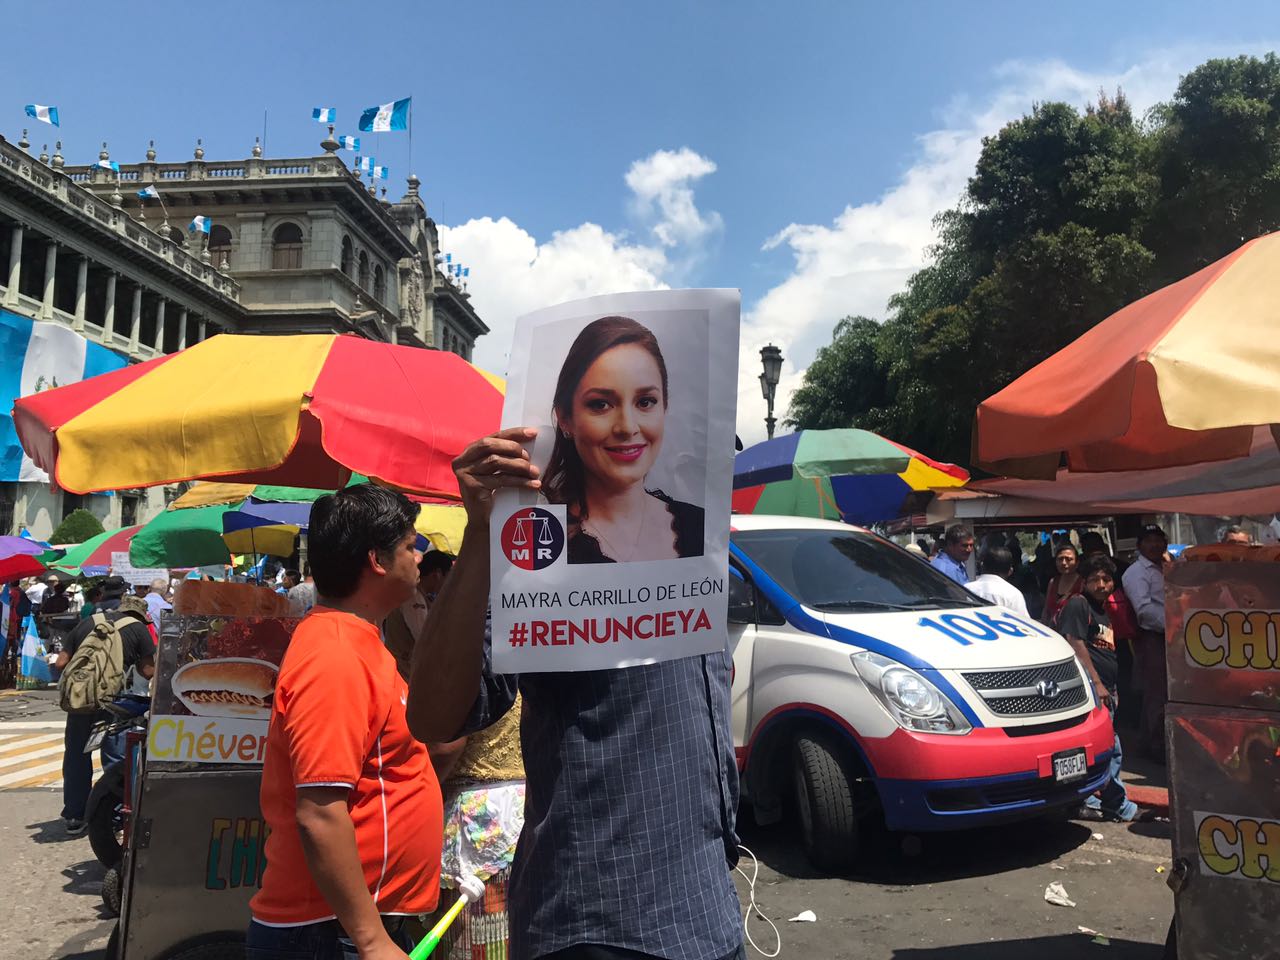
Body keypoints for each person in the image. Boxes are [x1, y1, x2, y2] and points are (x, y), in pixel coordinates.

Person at [407, 427, 745, 960]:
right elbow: (432, 717)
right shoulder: (549, 569)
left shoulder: (695, 558)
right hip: (594, 927)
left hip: (706, 911)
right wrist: (481, 538)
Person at [247, 485, 442, 960]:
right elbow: (319, 810)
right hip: (333, 932)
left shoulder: (355, 641)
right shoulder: (335, 653)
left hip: (351, 923)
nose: (419, 558)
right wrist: (372, 941)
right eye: (412, 545)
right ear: (377, 560)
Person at [542, 316, 704, 564]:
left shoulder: (701, 526)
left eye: (645, 402)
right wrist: (480, 531)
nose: (627, 427)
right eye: (601, 404)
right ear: (565, 418)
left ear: (665, 408)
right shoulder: (536, 537)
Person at [54, 592, 154, 834]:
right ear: (139, 615)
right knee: (115, 760)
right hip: (113, 702)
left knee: (76, 755)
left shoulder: (88, 623)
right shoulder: (138, 629)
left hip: (81, 701)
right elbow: (149, 671)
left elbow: (60, 663)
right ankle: (114, 814)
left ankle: (75, 816)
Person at [1057, 556, 1146, 823]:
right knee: (1112, 747)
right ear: (1084, 582)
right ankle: (1118, 806)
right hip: (1094, 690)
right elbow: (1075, 642)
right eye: (1095, 579)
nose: (1101, 584)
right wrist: (1097, 684)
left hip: (1107, 688)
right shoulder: (1078, 604)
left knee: (1099, 748)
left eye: (1106, 580)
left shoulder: (1101, 610)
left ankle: (1090, 798)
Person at [1122, 524, 1170, 763]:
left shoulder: (1167, 567)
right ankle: (1156, 745)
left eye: (1158, 540)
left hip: (1170, 636)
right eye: (1149, 540)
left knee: (1161, 692)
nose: (1155, 545)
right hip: (1153, 636)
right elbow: (1144, 610)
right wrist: (1175, 625)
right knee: (1157, 692)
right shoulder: (1136, 572)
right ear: (1140, 545)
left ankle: (1148, 741)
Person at [383, 551, 455, 680]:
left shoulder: (420, 596)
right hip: (405, 675)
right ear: (437, 574)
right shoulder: (414, 599)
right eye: (448, 576)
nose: (449, 583)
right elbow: (425, 639)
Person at [967, 547, 1031, 618]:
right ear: (1010, 571)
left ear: (982, 566)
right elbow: (1023, 623)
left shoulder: (965, 589)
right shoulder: (1014, 595)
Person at [1041, 542, 1082, 625]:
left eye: (1069, 559)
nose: (1063, 563)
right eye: (1060, 559)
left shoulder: (1082, 583)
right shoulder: (1053, 582)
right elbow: (1046, 610)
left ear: (1077, 563)